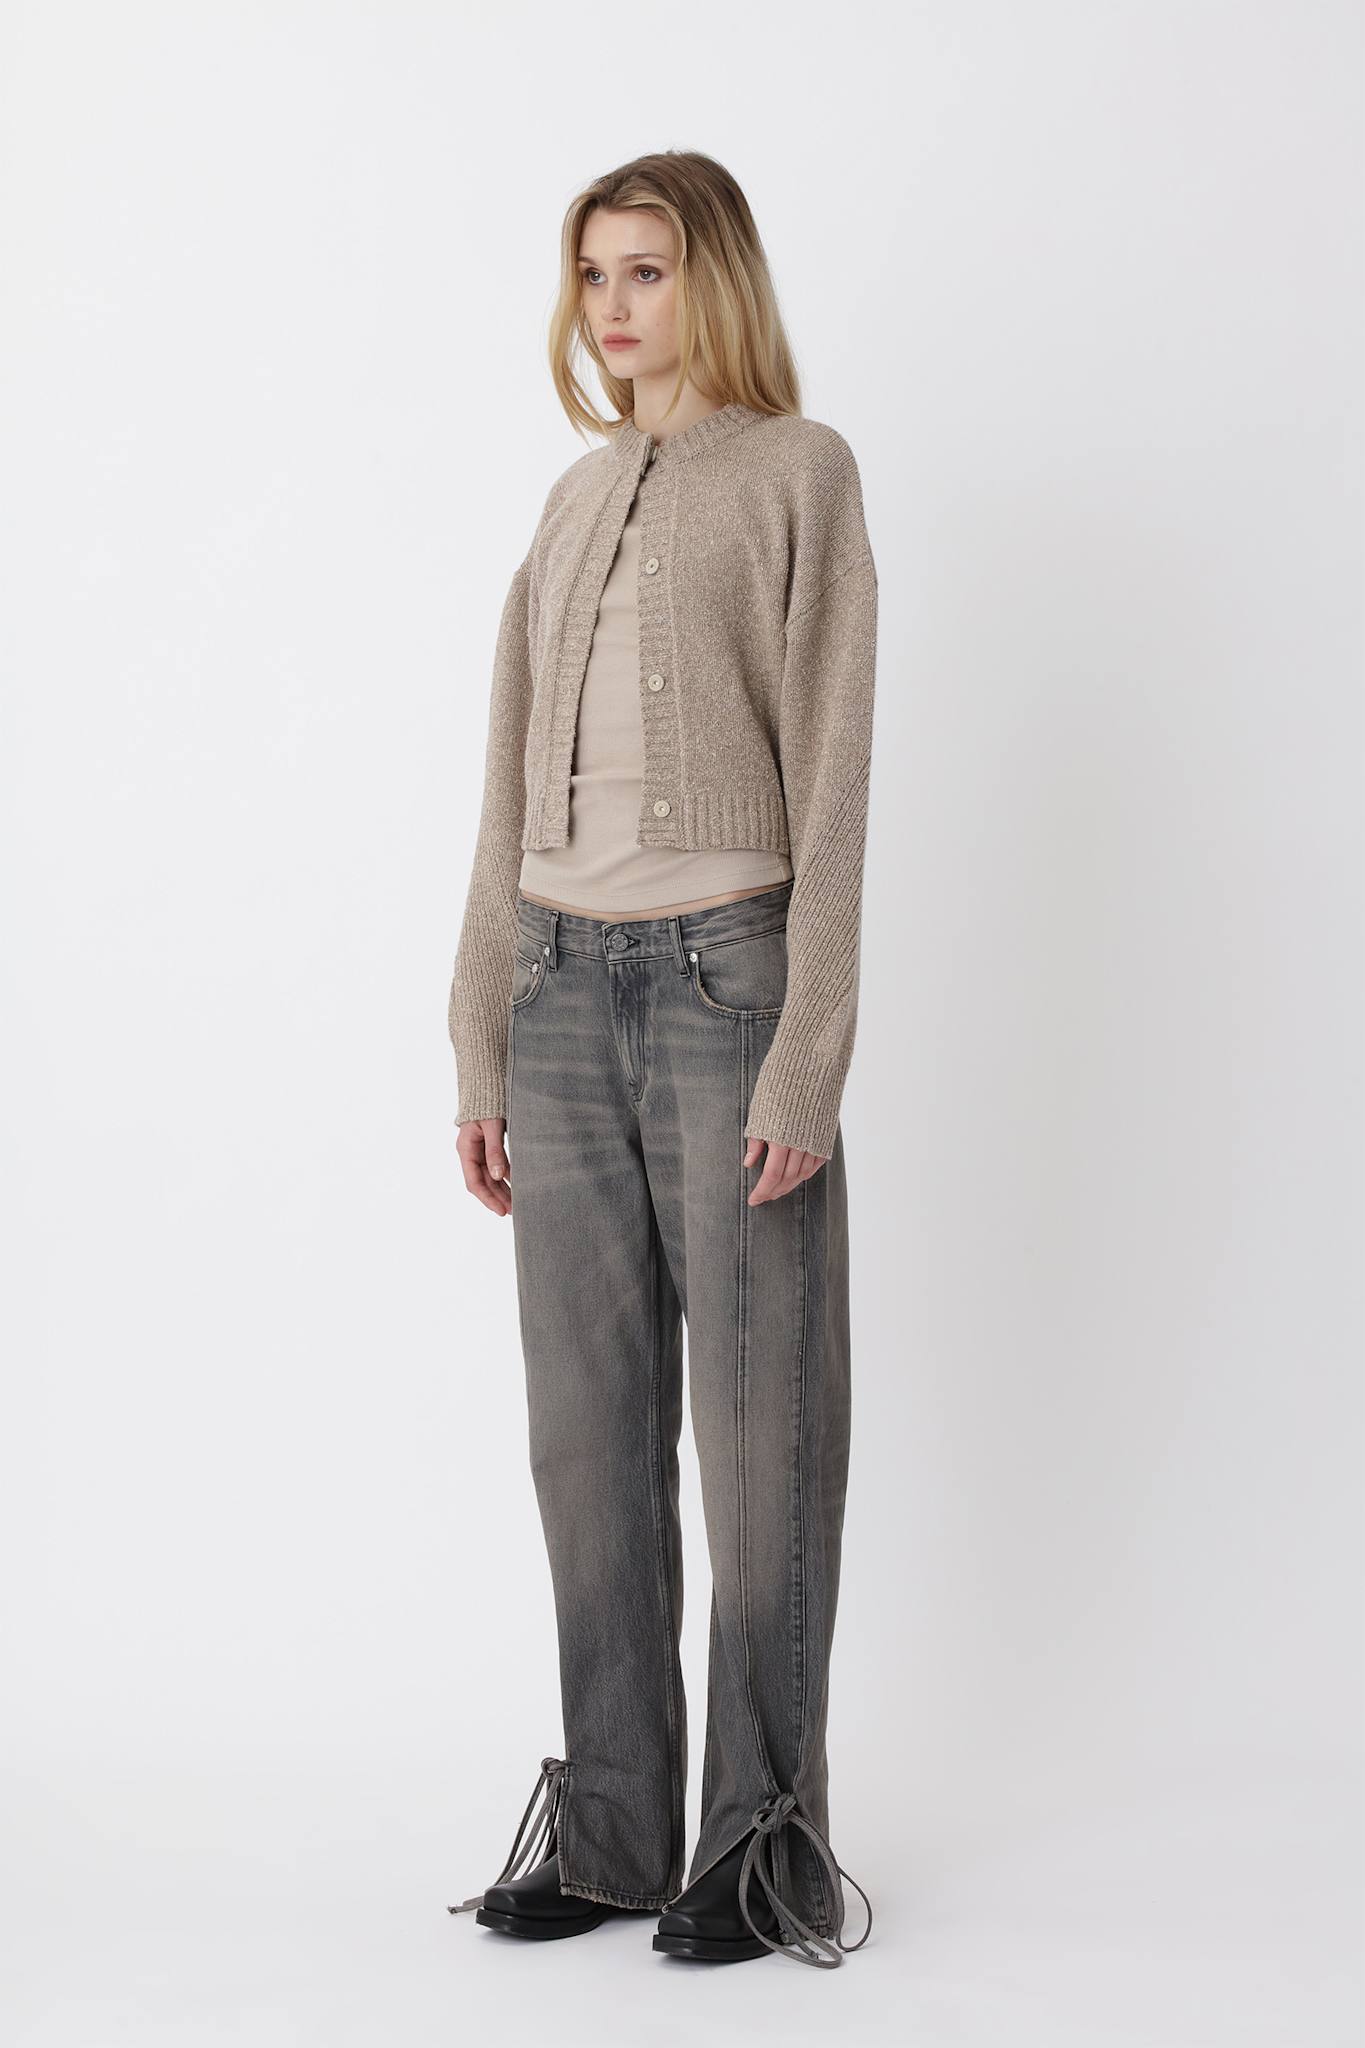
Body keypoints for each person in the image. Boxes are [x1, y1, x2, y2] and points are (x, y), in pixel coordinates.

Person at [444, 149, 877, 1969]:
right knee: (585, 1437)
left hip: (723, 986)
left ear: (717, 284)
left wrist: (807, 1054)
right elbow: (502, 789)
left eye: (648, 271)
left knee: (761, 1435)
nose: (614, 308)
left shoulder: (798, 474)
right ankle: (617, 1832)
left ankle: (764, 1845)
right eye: (593, 275)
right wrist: (479, 1031)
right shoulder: (566, 502)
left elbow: (835, 771)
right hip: (555, 988)